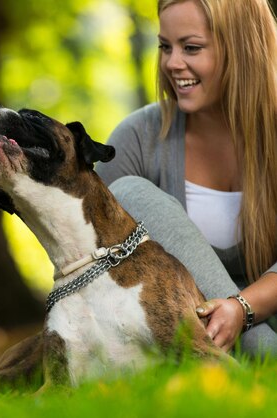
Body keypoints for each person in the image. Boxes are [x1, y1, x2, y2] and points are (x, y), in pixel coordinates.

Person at [96, 0, 277, 356]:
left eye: (191, 47)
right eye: (165, 46)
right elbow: (91, 257)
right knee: (128, 192)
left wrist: (243, 308)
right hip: (182, 335)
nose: (172, 63)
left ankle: (261, 353)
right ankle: (263, 357)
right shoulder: (137, 138)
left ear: (240, 47)